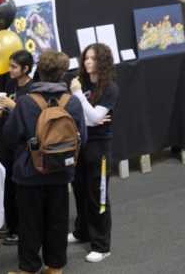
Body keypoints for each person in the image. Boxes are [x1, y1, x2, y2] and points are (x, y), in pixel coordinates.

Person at [3, 50, 87, 274]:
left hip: (30, 173)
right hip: (62, 171)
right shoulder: (74, 103)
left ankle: (29, 268)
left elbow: (10, 136)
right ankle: (55, 267)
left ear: (39, 71)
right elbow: (83, 139)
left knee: (30, 223)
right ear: (62, 74)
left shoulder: (25, 102)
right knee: (58, 221)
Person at [68, 43, 119, 263]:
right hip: (82, 144)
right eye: (86, 58)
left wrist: (80, 98)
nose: (87, 61)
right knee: (80, 191)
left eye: (93, 58)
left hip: (99, 149)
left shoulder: (110, 89)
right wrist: (91, 117)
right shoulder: (85, 83)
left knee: (98, 197)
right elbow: (81, 115)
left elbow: (96, 118)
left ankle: (101, 246)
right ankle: (82, 232)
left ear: (103, 61)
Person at [0, 50, 34, 245]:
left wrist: (13, 105)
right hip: (7, 142)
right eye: (10, 66)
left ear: (25, 69)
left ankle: (20, 229)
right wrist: (2, 112)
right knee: (8, 185)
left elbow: (31, 116)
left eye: (14, 67)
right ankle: (10, 225)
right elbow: (11, 109)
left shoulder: (32, 89)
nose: (9, 70)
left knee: (20, 187)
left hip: (22, 144)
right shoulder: (10, 85)